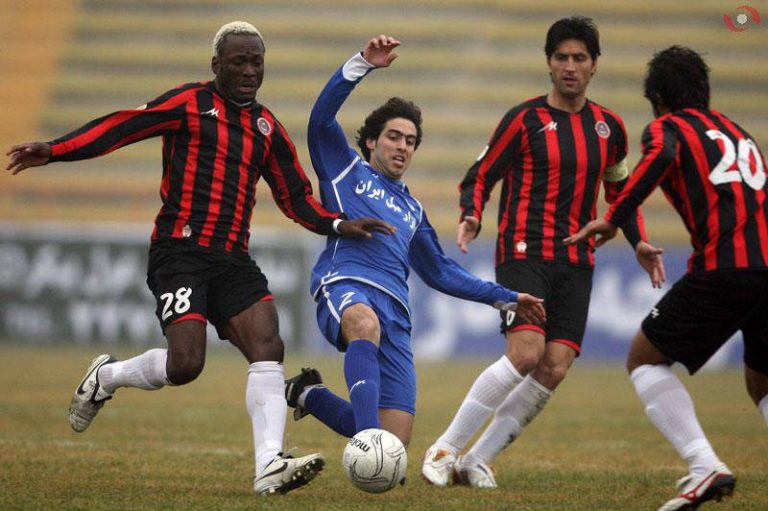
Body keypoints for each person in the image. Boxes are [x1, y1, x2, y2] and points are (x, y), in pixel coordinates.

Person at [5, 21, 394, 496]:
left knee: (268, 346)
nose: (249, 71)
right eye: (239, 62)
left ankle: (269, 464)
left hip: (232, 259)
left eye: (257, 62)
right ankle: (106, 376)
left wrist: (337, 224)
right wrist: (55, 150)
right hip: (180, 253)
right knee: (186, 365)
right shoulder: (188, 103)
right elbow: (120, 128)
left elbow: (295, 197)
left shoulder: (267, 129)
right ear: (216, 65)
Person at [422, 16, 666, 488]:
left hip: (577, 261)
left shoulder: (610, 128)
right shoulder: (524, 119)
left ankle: (477, 460)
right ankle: (445, 449)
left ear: (594, 65)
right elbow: (480, 175)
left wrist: (637, 239)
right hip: (523, 252)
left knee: (555, 365)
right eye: (561, 57)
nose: (570, 66)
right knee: (527, 352)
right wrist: (472, 214)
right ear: (549, 63)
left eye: (579, 58)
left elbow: (621, 192)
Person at [282, 35, 546, 452]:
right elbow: (320, 120)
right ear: (371, 141)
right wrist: (361, 64)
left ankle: (308, 394)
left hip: (397, 314)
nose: (403, 146)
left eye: (410, 141)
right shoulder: (345, 170)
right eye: (394, 136)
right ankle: (367, 446)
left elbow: (441, 271)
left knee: (395, 440)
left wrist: (506, 297)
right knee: (363, 325)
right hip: (346, 283)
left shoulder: (413, 210)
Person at [565, 45, 767, 511]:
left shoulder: (668, 128)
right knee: (762, 383)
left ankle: (704, 465)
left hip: (725, 267)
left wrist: (614, 217)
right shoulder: (739, 133)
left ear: (658, 98)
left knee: (644, 358)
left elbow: (664, 154)